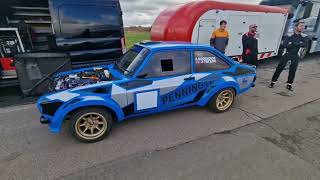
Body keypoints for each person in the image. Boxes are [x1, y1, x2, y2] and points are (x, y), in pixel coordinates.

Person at [269, 22, 308, 91]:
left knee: (293, 70)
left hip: (296, 55)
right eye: (301, 26)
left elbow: (304, 44)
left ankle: (289, 85)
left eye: (303, 26)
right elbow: (284, 45)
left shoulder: (304, 36)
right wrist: (298, 43)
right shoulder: (289, 35)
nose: (302, 27)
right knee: (279, 68)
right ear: (296, 27)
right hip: (287, 54)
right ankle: (272, 82)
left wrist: (292, 43)